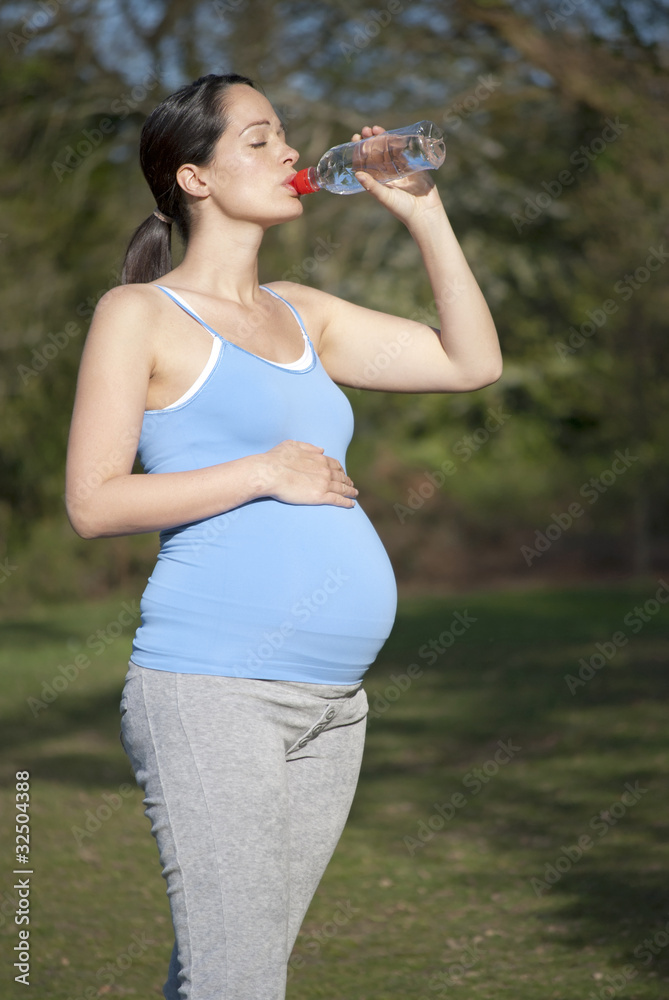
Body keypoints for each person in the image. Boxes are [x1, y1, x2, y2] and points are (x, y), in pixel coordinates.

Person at [65, 72, 501, 1000]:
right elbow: (94, 503)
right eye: (259, 139)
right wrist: (265, 471)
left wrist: (423, 214)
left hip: (333, 706)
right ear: (195, 179)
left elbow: (470, 361)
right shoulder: (137, 314)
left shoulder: (305, 312)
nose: (293, 153)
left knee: (233, 970)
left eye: (286, 137)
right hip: (212, 692)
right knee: (240, 981)